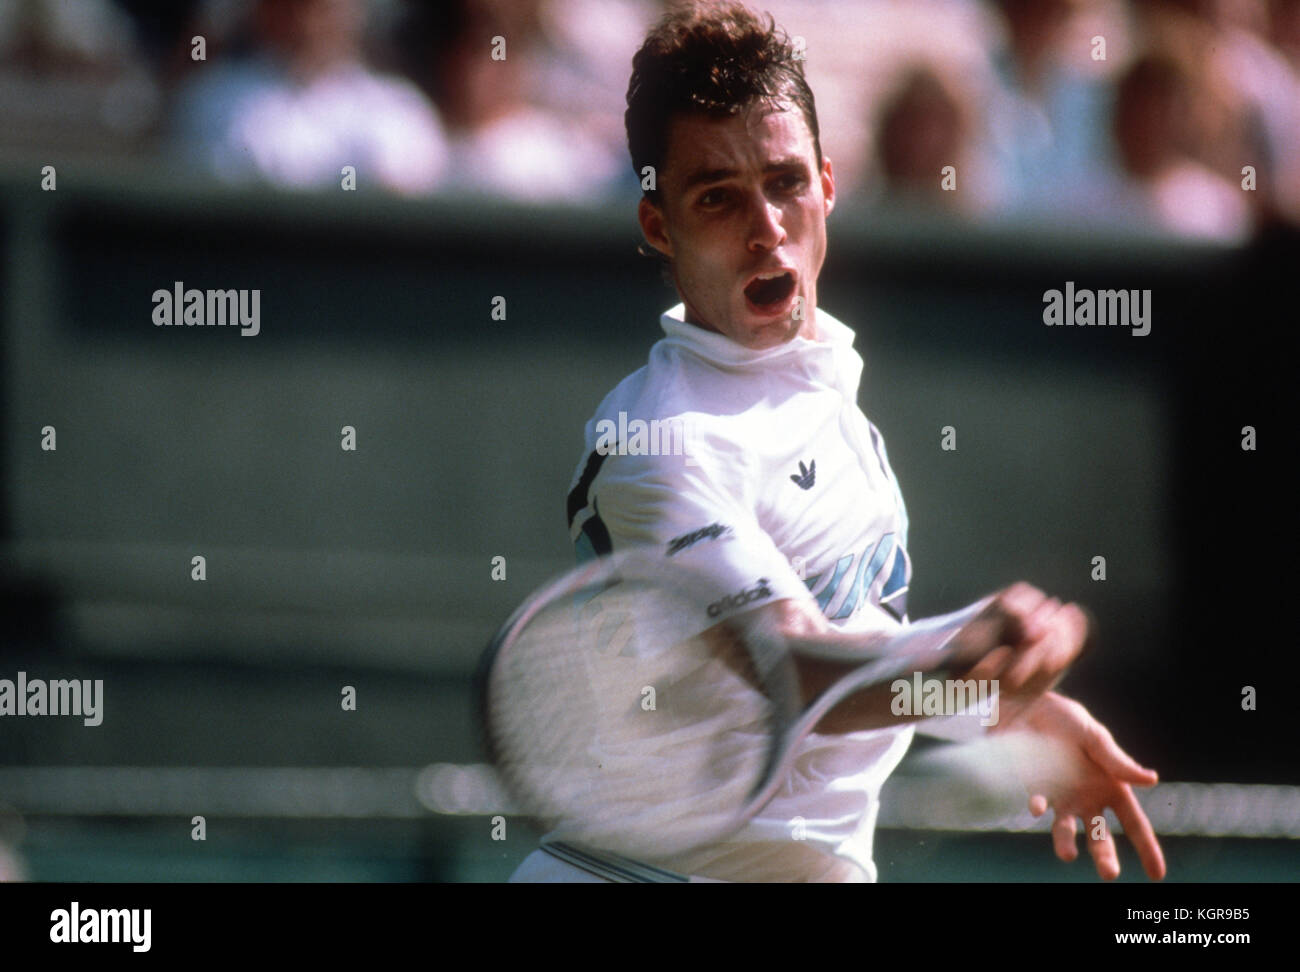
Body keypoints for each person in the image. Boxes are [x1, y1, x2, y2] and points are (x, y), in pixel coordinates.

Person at [511, 1, 1166, 883]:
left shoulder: (832, 406)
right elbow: (792, 670)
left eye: (784, 182)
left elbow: (850, 662)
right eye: (717, 197)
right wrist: (964, 661)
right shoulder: (658, 438)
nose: (765, 227)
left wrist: (1013, 706)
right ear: (658, 225)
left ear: (826, 182)